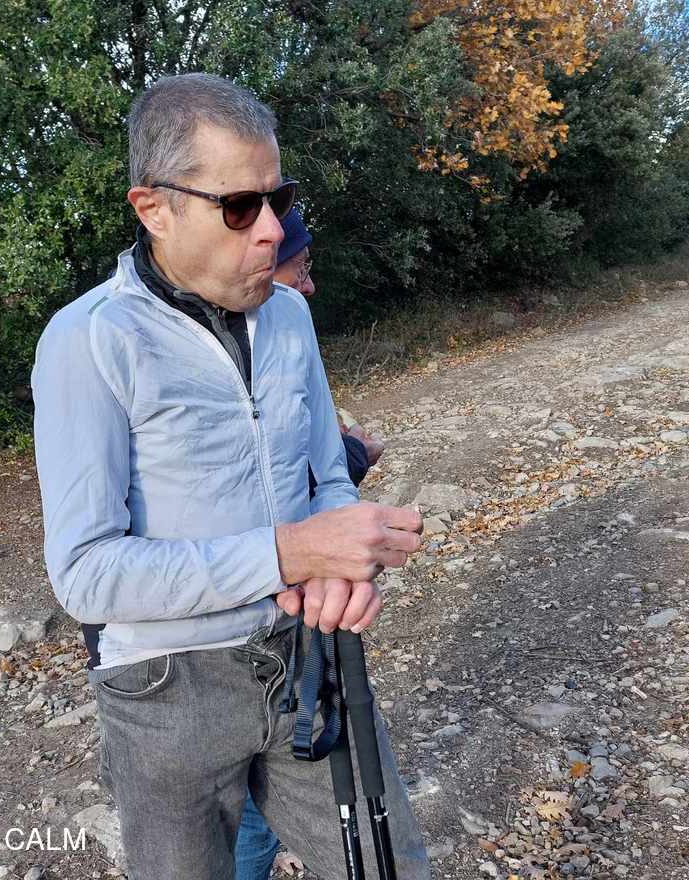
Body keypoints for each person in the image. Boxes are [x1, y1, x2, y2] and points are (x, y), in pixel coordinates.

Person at [31, 73, 429, 880]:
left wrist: (336, 570)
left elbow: (325, 474)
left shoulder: (290, 315)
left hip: (307, 656)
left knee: (392, 867)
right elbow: (85, 575)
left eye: (277, 199)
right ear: (154, 209)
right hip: (164, 691)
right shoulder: (89, 340)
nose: (272, 231)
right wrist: (292, 554)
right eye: (240, 206)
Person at [235, 209, 385, 880]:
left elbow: (296, 474)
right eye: (301, 268)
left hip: (276, 615)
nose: (309, 284)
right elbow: (270, 487)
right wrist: (355, 455)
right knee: (246, 802)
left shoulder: (283, 330)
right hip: (232, 634)